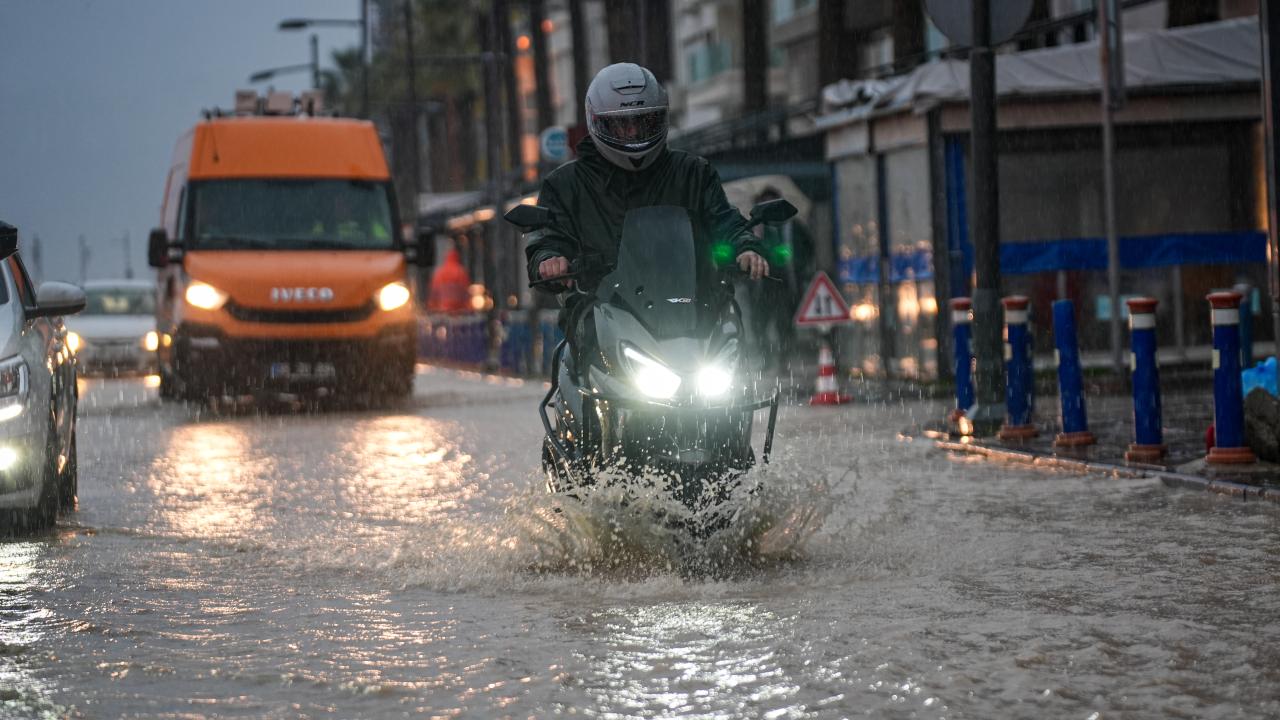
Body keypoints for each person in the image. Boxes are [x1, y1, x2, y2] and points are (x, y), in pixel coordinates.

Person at [524, 62, 771, 365]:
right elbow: (548, 236)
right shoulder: (566, 184)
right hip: (602, 315)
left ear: (660, 119)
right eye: (620, 124)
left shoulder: (692, 172)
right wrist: (549, 259)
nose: (632, 132)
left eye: (643, 122)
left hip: (692, 309)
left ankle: (748, 389)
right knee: (577, 365)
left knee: (734, 366)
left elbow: (723, 219)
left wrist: (745, 247)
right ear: (597, 123)